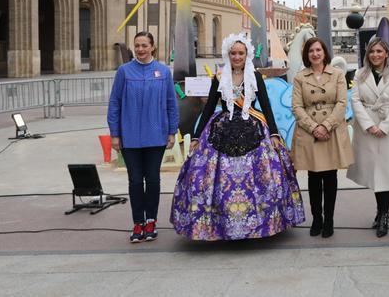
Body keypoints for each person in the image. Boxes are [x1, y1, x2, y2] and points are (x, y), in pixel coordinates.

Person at [171, 33, 304, 241]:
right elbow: (207, 110)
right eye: (233, 53)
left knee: (263, 175)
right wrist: (196, 137)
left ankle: (262, 222)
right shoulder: (219, 77)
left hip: (253, 127)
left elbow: (266, 106)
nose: (237, 57)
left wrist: (275, 133)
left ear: (247, 54)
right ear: (228, 54)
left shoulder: (255, 76)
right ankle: (219, 223)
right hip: (222, 129)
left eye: (241, 53)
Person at [107, 32, 178, 243]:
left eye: (144, 45)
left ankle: (151, 221)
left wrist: (172, 131)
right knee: (135, 181)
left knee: (153, 179)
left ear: (152, 47)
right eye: (137, 45)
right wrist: (115, 134)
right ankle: (138, 222)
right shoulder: (124, 72)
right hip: (130, 138)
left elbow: (170, 104)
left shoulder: (164, 72)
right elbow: (115, 104)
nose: (140, 49)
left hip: (156, 137)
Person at [291, 37, 354, 238]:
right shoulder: (300, 77)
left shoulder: (337, 75)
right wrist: (314, 127)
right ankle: (316, 218)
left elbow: (342, 103)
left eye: (318, 50)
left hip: (332, 130)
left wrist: (326, 126)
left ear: (325, 52)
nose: (315, 54)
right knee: (313, 176)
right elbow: (297, 107)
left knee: (330, 177)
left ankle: (329, 220)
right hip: (309, 131)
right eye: (311, 51)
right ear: (306, 55)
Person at [347, 37, 389, 237]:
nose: (375, 55)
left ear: (387, 54)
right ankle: (381, 211)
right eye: (372, 52)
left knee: (386, 173)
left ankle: (383, 214)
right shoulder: (359, 74)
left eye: (379, 52)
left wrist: (385, 126)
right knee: (374, 172)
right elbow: (355, 101)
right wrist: (369, 125)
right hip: (368, 130)